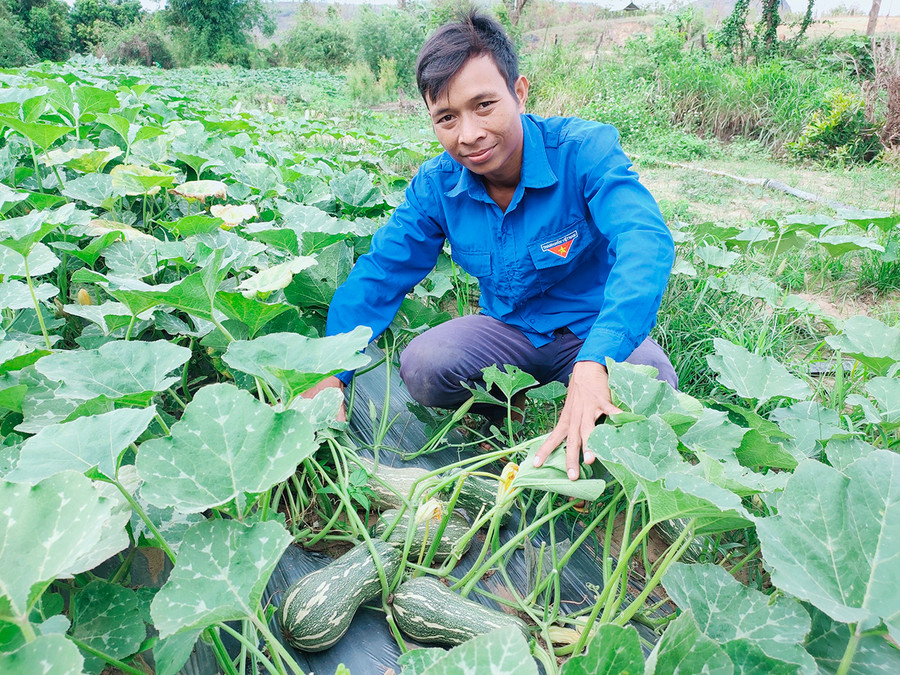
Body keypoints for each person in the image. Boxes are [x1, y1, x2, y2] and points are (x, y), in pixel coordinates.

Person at [304, 10, 676, 481]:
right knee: (422, 366)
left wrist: (598, 359)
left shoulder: (585, 152)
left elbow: (645, 241)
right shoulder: (436, 186)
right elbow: (382, 272)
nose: (469, 135)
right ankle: (504, 410)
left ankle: (592, 424)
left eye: (484, 105)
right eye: (446, 117)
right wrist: (331, 369)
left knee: (654, 385)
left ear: (519, 93)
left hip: (589, 326)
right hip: (509, 329)